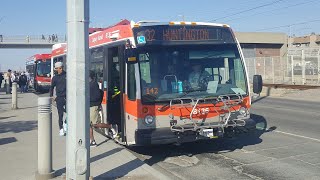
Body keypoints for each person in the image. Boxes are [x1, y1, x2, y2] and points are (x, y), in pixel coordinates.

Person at [50, 62, 67, 136]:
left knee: (70, 113)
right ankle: (61, 129)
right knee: (60, 114)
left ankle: (66, 124)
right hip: (59, 98)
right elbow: (51, 87)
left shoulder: (67, 75)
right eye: (57, 68)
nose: (58, 70)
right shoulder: (55, 78)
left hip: (67, 97)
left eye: (59, 68)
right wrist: (52, 96)